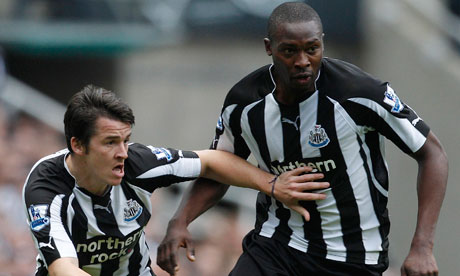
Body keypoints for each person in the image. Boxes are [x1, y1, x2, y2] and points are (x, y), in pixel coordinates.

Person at [156, 2, 448, 276]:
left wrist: (422, 246)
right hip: (277, 245)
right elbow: (220, 167)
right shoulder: (244, 103)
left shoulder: (360, 93)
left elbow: (432, 153)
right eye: (289, 51)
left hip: (353, 256)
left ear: (321, 42)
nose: (302, 61)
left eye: (312, 49)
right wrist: (180, 220)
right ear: (269, 48)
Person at [22, 85, 329, 276]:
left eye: (126, 140)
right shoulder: (46, 187)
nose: (123, 153)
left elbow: (210, 161)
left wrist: (271, 184)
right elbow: (63, 268)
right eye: (110, 143)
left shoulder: (139, 164)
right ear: (78, 145)